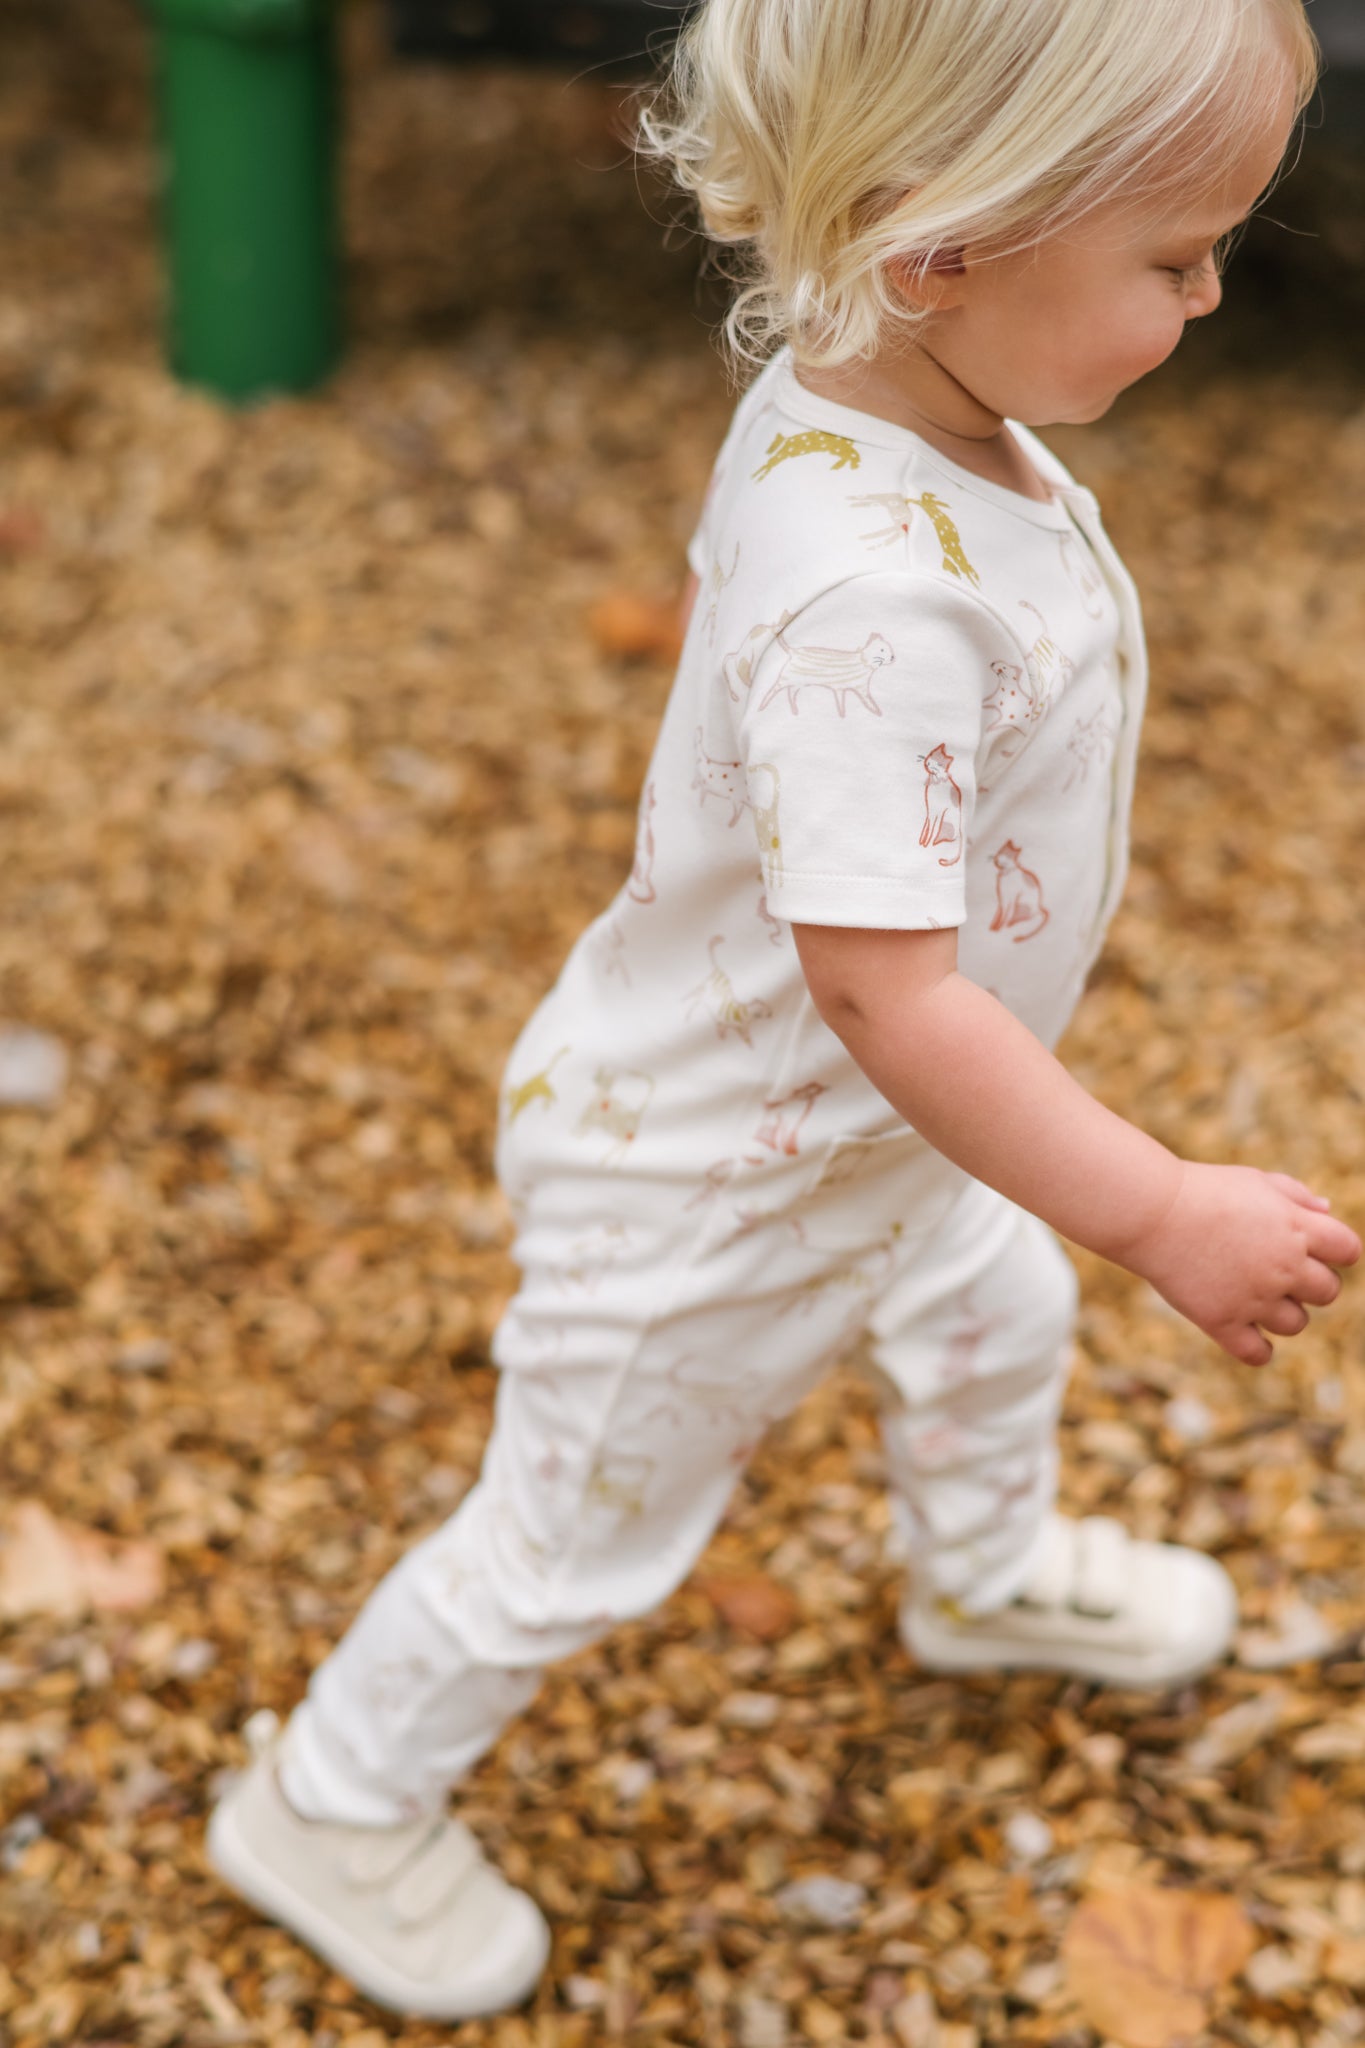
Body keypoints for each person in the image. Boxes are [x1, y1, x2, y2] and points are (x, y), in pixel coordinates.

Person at [207, 0, 1356, 2020]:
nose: (1205, 297)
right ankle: (329, 1798)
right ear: (940, 249)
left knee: (993, 1310)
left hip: (866, 1146)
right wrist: (1158, 1205)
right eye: (1172, 261)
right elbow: (881, 996)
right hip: (717, 1176)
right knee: (575, 1529)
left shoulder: (897, 391)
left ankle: (981, 1574)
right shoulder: (871, 595)